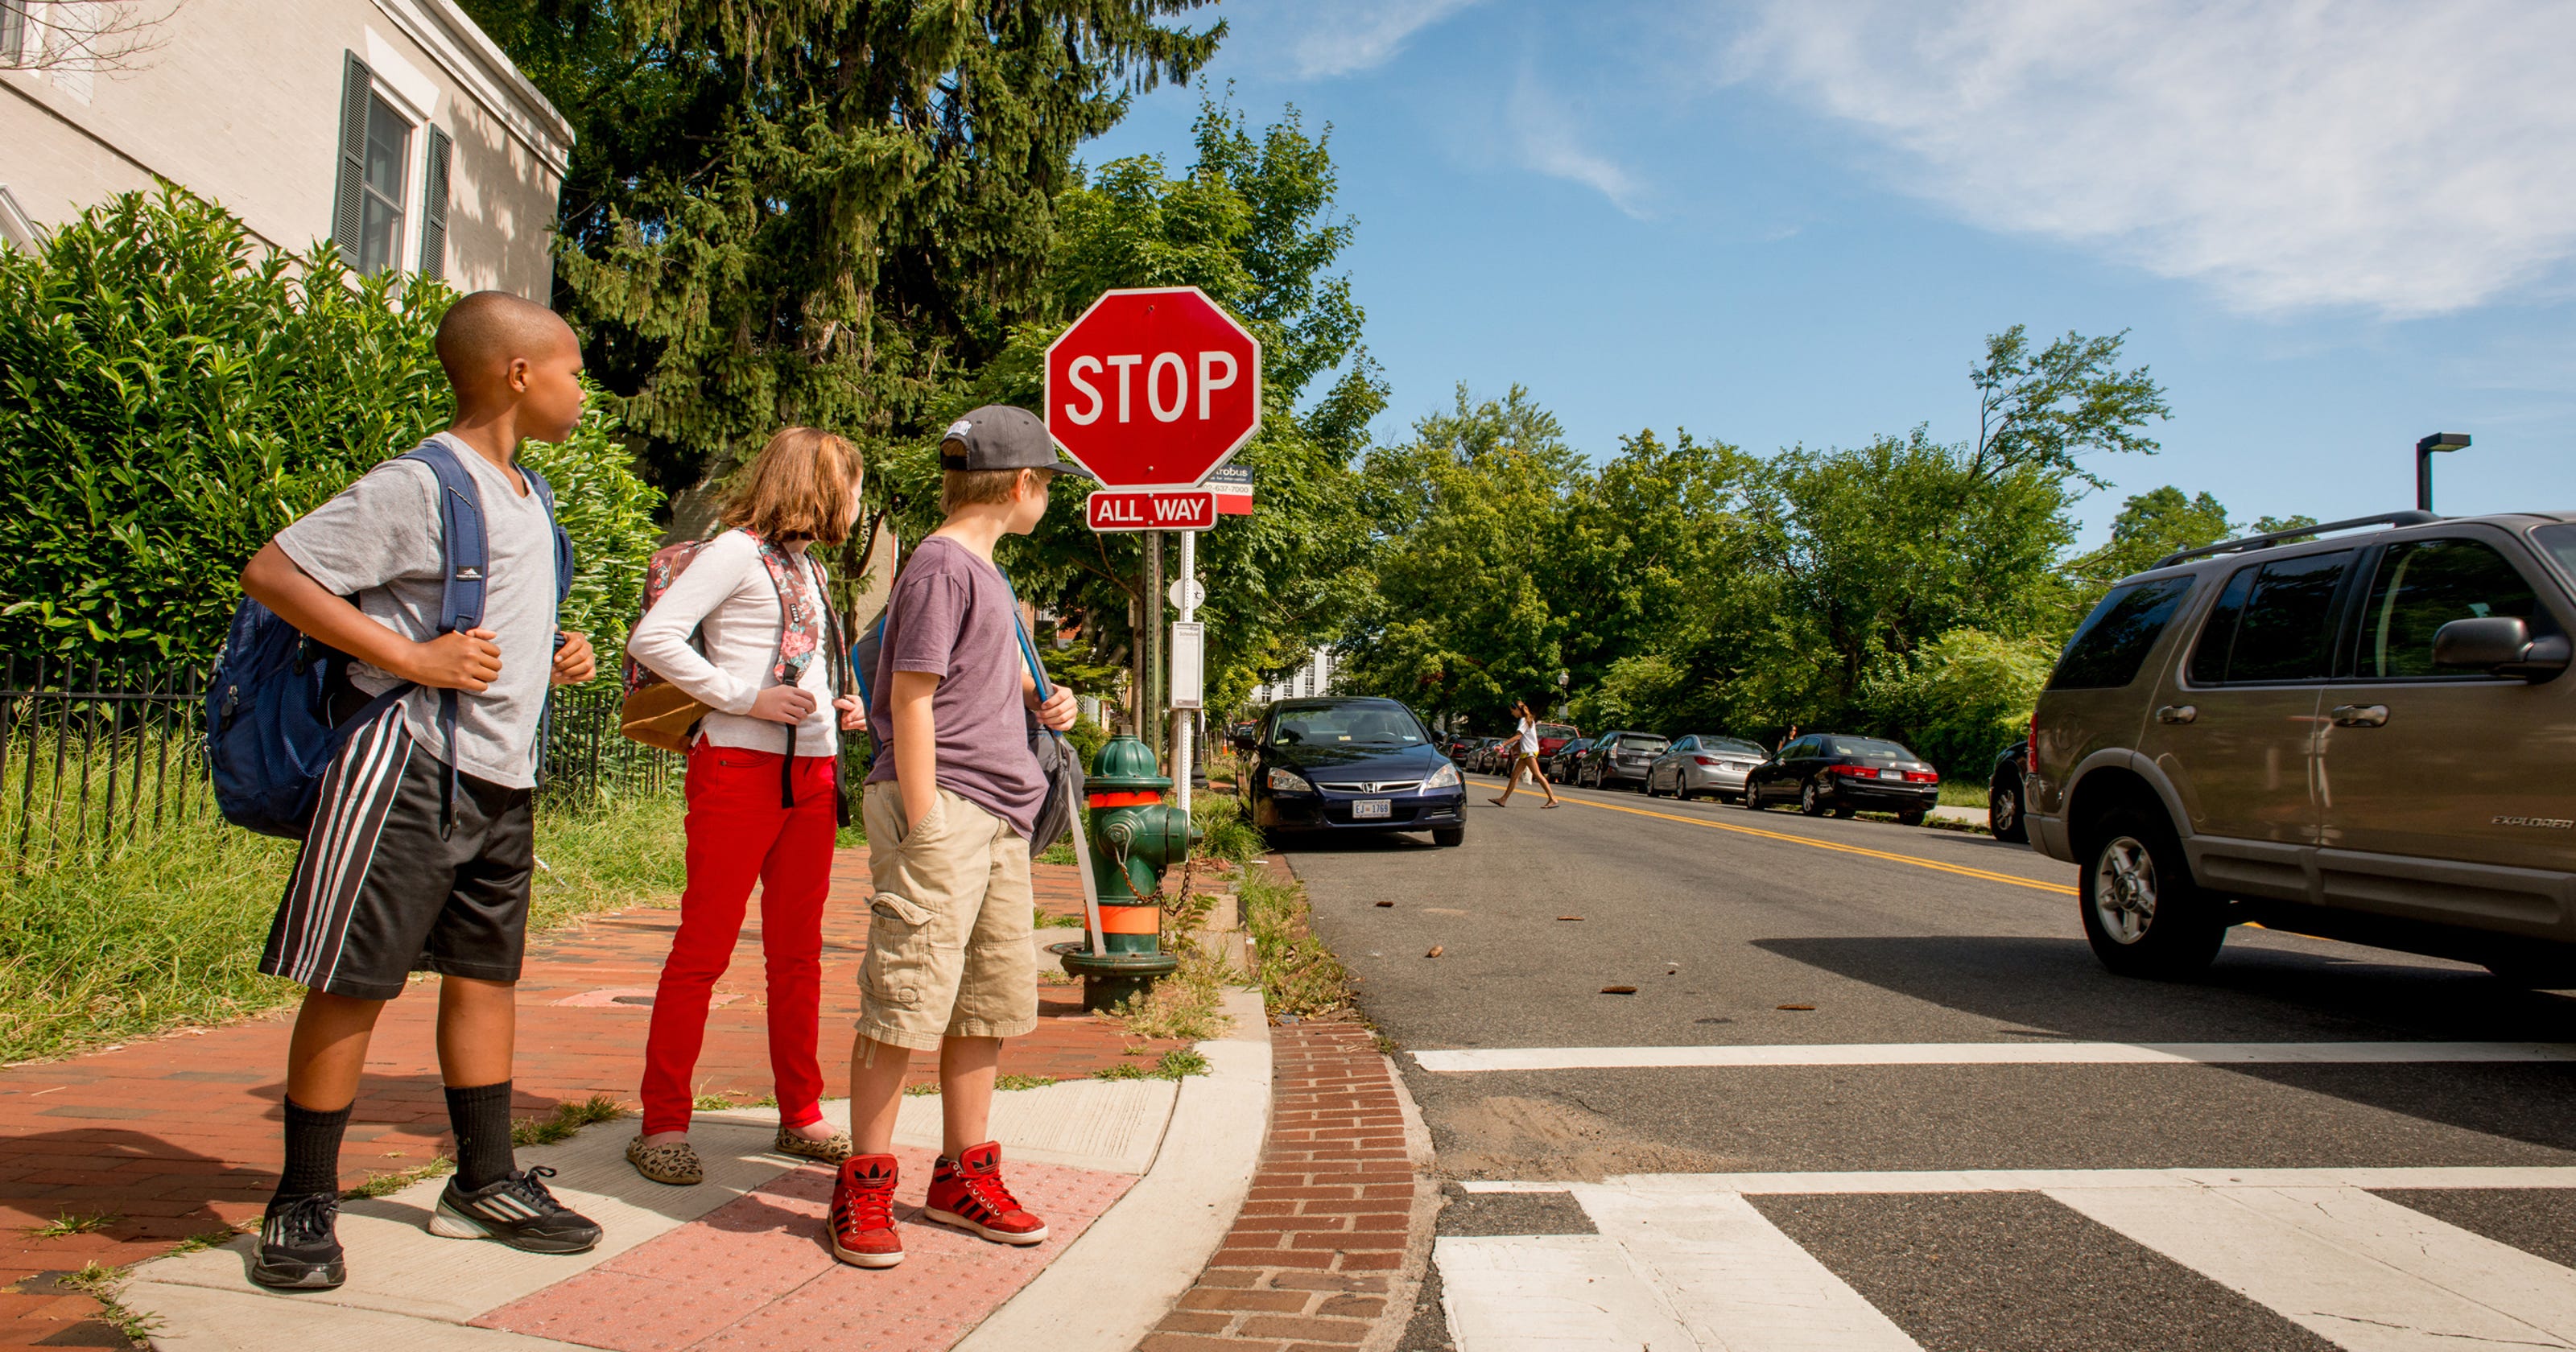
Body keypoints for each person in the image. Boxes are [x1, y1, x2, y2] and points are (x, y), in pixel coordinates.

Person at [236, 291, 604, 1292]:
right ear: (516, 374)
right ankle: (303, 1199)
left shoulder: (529, 496)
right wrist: (411, 656)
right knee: (353, 982)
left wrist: (556, 651)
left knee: (487, 978)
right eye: (572, 369)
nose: (583, 389)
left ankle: (483, 1181)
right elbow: (276, 570)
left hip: (499, 778)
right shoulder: (421, 483)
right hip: (403, 767)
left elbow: (502, 619)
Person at [828, 405, 1086, 1269]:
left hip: (1000, 814)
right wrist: (927, 815)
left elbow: (985, 671)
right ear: (1021, 485)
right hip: (946, 810)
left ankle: (960, 1177)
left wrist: (1045, 699)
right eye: (1046, 485)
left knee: (985, 999)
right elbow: (909, 694)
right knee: (905, 998)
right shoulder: (942, 565)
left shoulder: (985, 575)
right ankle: (864, 1184)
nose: (1044, 497)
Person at [622, 427, 868, 1185]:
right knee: (704, 949)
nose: (858, 504)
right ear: (819, 485)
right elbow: (654, 637)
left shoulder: (808, 565)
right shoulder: (733, 551)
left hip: (814, 775)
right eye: (852, 487)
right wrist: (744, 697)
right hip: (736, 767)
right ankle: (662, 1122)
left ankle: (801, 1114)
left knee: (799, 956)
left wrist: (839, 704)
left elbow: (800, 663)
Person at [1488, 699, 1561, 808]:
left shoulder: (1523, 720)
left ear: (1517, 709)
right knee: (1515, 776)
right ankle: (1503, 800)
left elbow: (1519, 736)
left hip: (1529, 751)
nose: (1512, 713)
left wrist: (1502, 745)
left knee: (1537, 775)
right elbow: (1524, 738)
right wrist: (1513, 747)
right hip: (1527, 751)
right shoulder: (1528, 719)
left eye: (1512, 711)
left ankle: (1552, 798)